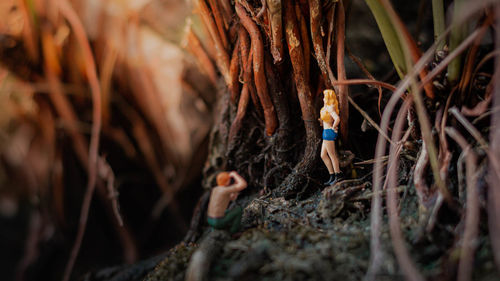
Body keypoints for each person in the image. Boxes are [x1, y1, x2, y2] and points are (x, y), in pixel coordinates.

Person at [319, 89, 344, 186]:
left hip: (329, 132)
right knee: (323, 155)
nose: (323, 99)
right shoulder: (325, 108)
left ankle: (338, 175)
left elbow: (337, 118)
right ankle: (332, 175)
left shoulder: (330, 108)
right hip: (325, 132)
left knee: (332, 155)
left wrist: (333, 127)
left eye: (325, 97)